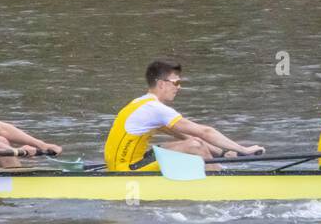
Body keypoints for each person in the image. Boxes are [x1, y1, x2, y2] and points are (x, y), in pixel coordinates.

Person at [103, 59, 263, 171]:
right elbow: (205, 131)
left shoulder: (141, 103)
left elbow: (186, 135)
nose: (179, 87)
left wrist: (222, 153)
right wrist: (244, 149)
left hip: (127, 162)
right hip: (126, 170)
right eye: (176, 83)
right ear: (161, 84)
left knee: (194, 142)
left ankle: (215, 172)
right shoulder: (156, 108)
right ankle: (219, 184)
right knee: (196, 146)